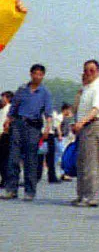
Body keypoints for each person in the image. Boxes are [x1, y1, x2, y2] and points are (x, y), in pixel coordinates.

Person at [1, 64, 53, 201]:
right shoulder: (22, 89)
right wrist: (8, 121)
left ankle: (30, 191)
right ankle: (11, 189)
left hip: (33, 127)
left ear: (43, 76)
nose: (37, 76)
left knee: (31, 159)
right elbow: (13, 107)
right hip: (18, 124)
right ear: (30, 74)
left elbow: (48, 112)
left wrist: (48, 127)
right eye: (35, 73)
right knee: (13, 157)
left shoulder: (45, 93)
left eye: (40, 74)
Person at [71, 59, 99, 207]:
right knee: (82, 162)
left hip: (93, 125)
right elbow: (76, 109)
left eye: (92, 70)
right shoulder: (86, 88)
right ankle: (82, 194)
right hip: (83, 127)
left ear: (98, 71)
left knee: (92, 162)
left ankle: (91, 196)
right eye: (86, 70)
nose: (89, 73)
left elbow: (96, 109)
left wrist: (82, 122)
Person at [0, 91, 14, 188]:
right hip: (4, 134)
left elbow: (3, 124)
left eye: (3, 98)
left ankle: (5, 179)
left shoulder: (8, 109)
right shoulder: (4, 109)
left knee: (3, 159)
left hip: (4, 135)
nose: (1, 100)